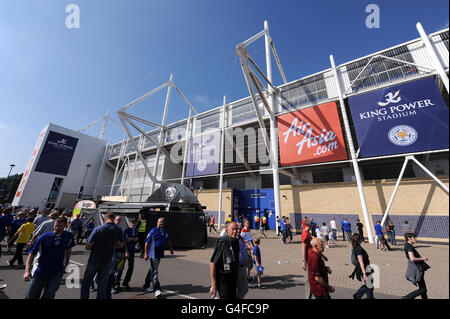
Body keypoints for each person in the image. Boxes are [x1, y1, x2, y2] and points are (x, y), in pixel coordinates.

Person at [24, 217, 74, 299]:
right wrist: (27, 271)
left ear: (65, 226)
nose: (57, 228)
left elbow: (68, 248)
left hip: (57, 270)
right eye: (56, 226)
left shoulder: (68, 236)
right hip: (40, 270)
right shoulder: (43, 237)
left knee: (49, 295)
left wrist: (66, 263)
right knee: (31, 295)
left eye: (60, 226)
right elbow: (31, 254)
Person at [80, 212, 124, 299]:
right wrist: (111, 245)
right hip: (107, 260)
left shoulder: (98, 229)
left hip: (94, 259)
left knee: (86, 282)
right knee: (102, 284)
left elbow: (88, 247)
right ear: (113, 218)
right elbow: (121, 245)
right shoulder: (118, 229)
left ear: (105, 219)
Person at [143, 217, 174, 298]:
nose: (161, 223)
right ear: (157, 222)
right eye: (160, 222)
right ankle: (157, 289)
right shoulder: (153, 231)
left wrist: (170, 248)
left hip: (159, 254)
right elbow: (146, 243)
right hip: (153, 254)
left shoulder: (164, 231)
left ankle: (146, 285)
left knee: (152, 270)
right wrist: (146, 254)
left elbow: (168, 239)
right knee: (155, 272)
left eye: (162, 222)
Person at [209, 221, 239, 299]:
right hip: (223, 280)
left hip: (233, 279)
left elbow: (236, 262)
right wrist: (214, 284)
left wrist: (238, 279)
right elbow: (212, 263)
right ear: (227, 230)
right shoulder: (222, 242)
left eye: (237, 229)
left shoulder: (236, 242)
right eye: (233, 229)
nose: (235, 231)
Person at [402, 232, 430, 299]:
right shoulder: (409, 246)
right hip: (417, 269)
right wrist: (423, 258)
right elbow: (412, 258)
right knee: (423, 289)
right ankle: (408, 297)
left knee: (422, 287)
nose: (415, 239)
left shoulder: (408, 245)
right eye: (413, 237)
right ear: (409, 238)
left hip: (418, 268)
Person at [349, 233, 374, 299]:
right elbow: (361, 262)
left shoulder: (356, 247)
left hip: (365, 267)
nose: (362, 239)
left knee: (369, 284)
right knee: (369, 285)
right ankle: (358, 295)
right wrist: (364, 273)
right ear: (358, 240)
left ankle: (358, 295)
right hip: (364, 269)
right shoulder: (358, 249)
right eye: (361, 238)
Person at [119, 218, 138, 290]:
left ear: (136, 223)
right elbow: (125, 241)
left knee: (131, 267)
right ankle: (116, 283)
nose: (133, 224)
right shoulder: (126, 230)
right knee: (121, 267)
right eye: (132, 222)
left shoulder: (135, 230)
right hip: (125, 252)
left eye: (134, 223)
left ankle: (126, 282)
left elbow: (136, 239)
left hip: (132, 251)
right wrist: (126, 251)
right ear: (130, 223)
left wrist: (132, 239)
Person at [236, 223, 249, 299]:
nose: (238, 230)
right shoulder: (233, 240)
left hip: (243, 267)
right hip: (238, 268)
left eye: (240, 229)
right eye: (237, 229)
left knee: (245, 288)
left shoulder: (240, 238)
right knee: (240, 288)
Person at [301, 222, 313, 299]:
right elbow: (303, 247)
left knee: (312, 278)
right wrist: (304, 262)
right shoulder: (305, 234)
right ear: (309, 226)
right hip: (308, 259)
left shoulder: (308, 233)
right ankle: (307, 297)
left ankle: (312, 295)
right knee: (308, 280)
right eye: (311, 226)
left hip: (311, 258)